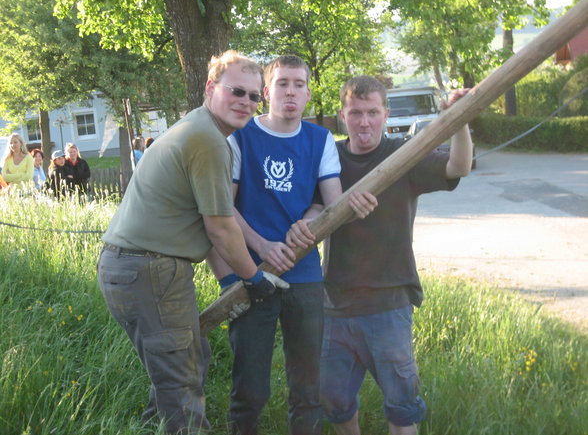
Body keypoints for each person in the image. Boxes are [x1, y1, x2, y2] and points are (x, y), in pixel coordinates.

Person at [97, 50, 289, 435]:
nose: (247, 103)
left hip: (132, 268)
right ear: (210, 87)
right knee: (181, 387)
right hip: (151, 271)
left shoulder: (196, 127)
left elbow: (213, 223)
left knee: (185, 363)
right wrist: (253, 279)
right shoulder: (208, 140)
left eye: (255, 96)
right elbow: (220, 227)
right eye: (237, 91)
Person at [206, 55, 375, 435]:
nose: (291, 91)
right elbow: (223, 208)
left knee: (308, 387)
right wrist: (262, 246)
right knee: (250, 388)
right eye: (282, 83)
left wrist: (311, 220)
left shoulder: (320, 140)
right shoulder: (240, 137)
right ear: (267, 92)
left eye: (299, 84)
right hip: (251, 274)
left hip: (304, 275)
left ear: (308, 93)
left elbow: (331, 202)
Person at [318, 76, 473, 435]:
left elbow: (458, 167)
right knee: (334, 402)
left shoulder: (404, 154)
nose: (364, 122)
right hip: (334, 303)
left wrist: (460, 123)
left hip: (389, 303)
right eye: (355, 113)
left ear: (386, 113)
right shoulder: (329, 159)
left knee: (403, 407)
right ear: (343, 115)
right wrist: (339, 205)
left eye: (372, 112)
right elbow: (311, 211)